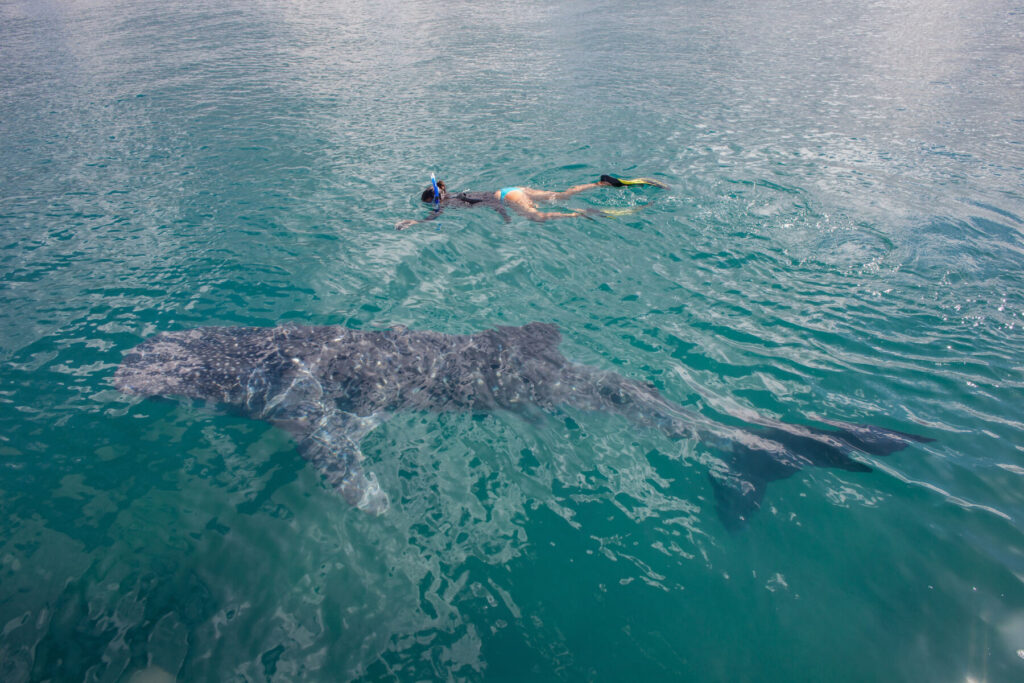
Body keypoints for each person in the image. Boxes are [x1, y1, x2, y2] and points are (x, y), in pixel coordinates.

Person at [394, 174, 668, 230]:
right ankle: (601, 183)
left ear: (435, 200)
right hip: (512, 188)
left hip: (506, 197)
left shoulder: (451, 202)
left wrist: (506, 217)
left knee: (539, 217)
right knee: (560, 195)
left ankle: (585, 214)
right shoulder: (454, 194)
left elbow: (488, 201)